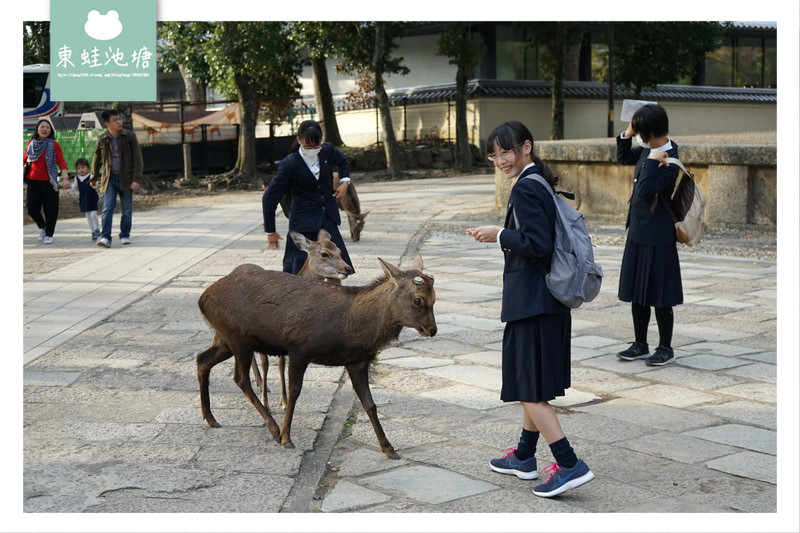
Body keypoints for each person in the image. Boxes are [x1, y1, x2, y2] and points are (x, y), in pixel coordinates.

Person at [466, 120, 594, 498]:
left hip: (533, 304)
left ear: (526, 147)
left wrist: (499, 234)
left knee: (529, 389)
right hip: (546, 302)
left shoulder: (526, 188)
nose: (501, 160)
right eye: (494, 154)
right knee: (533, 385)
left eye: (506, 151)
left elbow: (537, 245)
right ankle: (524, 457)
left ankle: (569, 463)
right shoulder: (539, 181)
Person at [615, 104, 682, 366]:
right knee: (637, 291)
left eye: (641, 129)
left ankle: (665, 347)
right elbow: (622, 157)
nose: (638, 135)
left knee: (661, 294)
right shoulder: (648, 149)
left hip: (659, 234)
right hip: (638, 231)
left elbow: (645, 191)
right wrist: (628, 132)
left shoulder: (669, 157)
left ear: (652, 130)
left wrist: (654, 162)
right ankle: (640, 343)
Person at [262, 120, 354, 277]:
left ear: (321, 141)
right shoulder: (289, 164)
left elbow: (342, 161)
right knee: (297, 270)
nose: (312, 149)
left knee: (337, 263)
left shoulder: (327, 151)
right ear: (299, 140)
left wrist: (345, 182)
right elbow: (269, 198)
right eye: (308, 145)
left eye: (316, 145)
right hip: (303, 221)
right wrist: (271, 231)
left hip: (327, 217)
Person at [91, 109, 143, 248]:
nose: (119, 122)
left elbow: (138, 159)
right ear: (107, 123)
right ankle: (105, 237)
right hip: (110, 178)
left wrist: (136, 179)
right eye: (115, 120)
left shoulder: (130, 136)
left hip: (126, 178)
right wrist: (94, 176)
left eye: (120, 119)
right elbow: (97, 159)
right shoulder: (102, 139)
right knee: (107, 208)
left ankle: (125, 234)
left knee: (127, 209)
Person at [24, 119, 70, 244]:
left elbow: (61, 162)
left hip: (49, 182)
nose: (45, 129)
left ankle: (49, 233)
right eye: (42, 127)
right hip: (33, 181)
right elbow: (24, 160)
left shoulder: (54, 145)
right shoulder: (31, 143)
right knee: (31, 208)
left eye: (47, 127)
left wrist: (65, 178)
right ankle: (42, 227)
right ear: (37, 129)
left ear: (51, 131)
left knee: (50, 209)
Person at [70, 157, 101, 241]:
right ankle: (93, 232)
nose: (81, 170)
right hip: (83, 199)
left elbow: (95, 186)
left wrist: (93, 184)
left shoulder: (91, 176)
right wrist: (69, 186)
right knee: (88, 216)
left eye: (83, 167)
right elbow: (74, 187)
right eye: (79, 168)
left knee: (93, 214)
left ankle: (97, 229)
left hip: (92, 198)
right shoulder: (77, 178)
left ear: (87, 167)